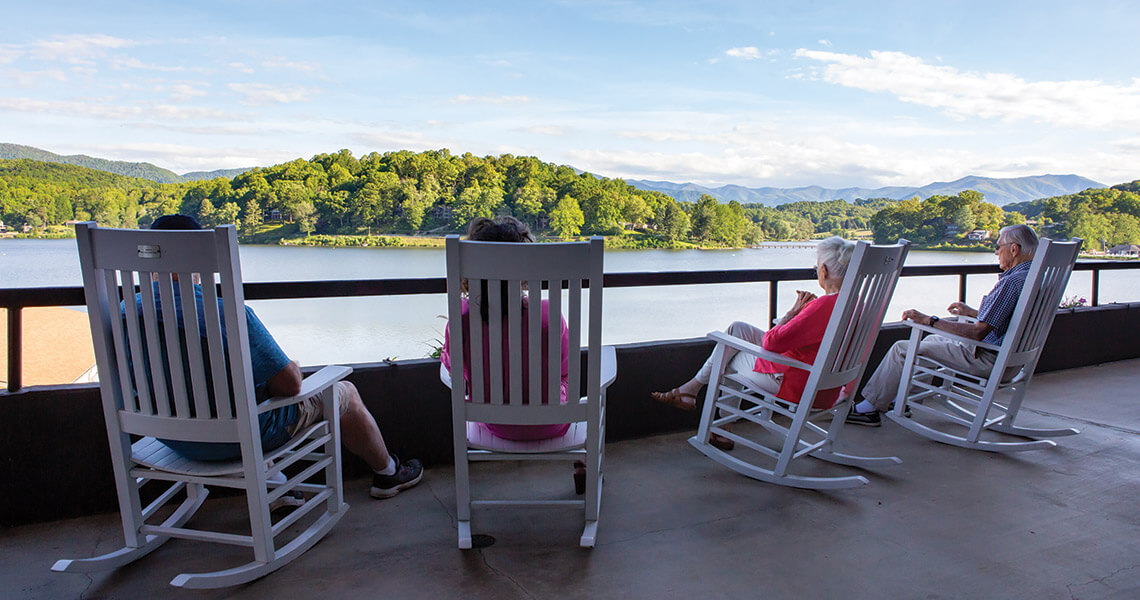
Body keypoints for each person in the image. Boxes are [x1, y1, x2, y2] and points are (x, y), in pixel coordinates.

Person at [131, 214, 422, 499]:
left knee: (244, 399)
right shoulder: (225, 314)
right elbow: (290, 385)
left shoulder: (125, 313)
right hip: (237, 440)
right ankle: (388, 472)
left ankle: (275, 485)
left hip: (171, 439)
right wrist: (292, 366)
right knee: (344, 392)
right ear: (200, 259)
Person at [651, 236, 858, 450]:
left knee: (727, 352)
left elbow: (771, 343)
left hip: (797, 383)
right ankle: (691, 390)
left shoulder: (824, 306)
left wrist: (792, 313)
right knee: (738, 329)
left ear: (823, 270)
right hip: (828, 388)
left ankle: (721, 427)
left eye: (816, 267)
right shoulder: (858, 304)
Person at [846, 224, 1039, 427]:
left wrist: (929, 320)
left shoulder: (1013, 282)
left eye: (998, 247)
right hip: (1012, 362)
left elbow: (977, 332)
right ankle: (902, 401)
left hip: (987, 359)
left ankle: (868, 408)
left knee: (902, 349)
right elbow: (1009, 319)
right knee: (931, 340)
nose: (996, 252)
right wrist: (972, 312)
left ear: (1014, 249)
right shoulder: (1033, 278)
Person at [440, 215, 573, 442]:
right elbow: (564, 370)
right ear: (525, 270)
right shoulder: (549, 314)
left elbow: (453, 368)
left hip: (495, 425)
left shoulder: (461, 317)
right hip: (552, 423)